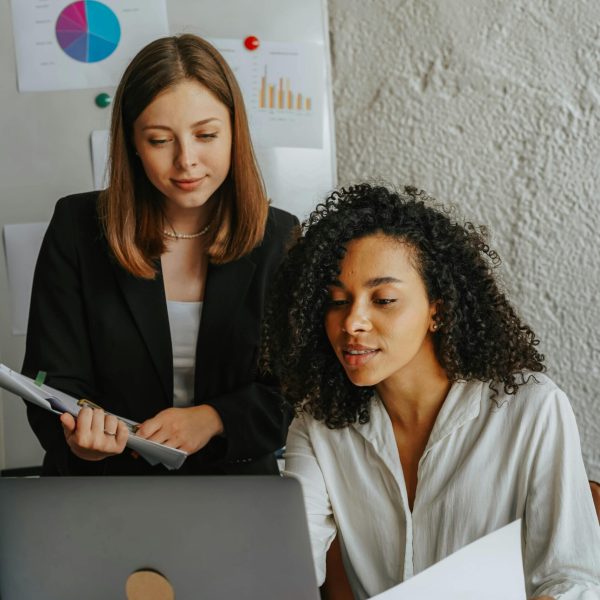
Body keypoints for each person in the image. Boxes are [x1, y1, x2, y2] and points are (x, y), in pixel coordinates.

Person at [262, 184, 600, 599]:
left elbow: (572, 579)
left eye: (383, 299)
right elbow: (286, 563)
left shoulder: (531, 409)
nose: (352, 322)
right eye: (336, 301)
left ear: (437, 310)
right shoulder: (318, 424)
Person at [22, 34, 297, 476]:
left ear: (234, 132)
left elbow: (294, 390)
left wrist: (214, 418)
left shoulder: (280, 236)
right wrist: (79, 438)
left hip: (233, 490)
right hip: (102, 488)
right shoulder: (77, 225)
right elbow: (50, 380)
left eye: (206, 135)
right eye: (159, 140)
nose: (187, 160)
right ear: (132, 142)